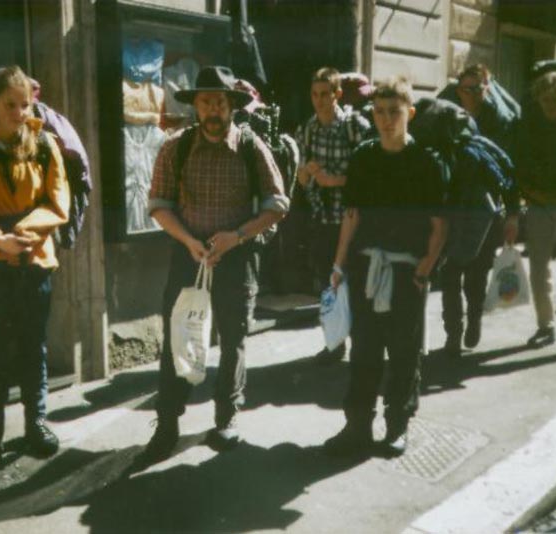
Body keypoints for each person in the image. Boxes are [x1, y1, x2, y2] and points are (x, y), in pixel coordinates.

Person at [142, 66, 288, 463]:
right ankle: (168, 423)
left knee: (232, 340)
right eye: (205, 101)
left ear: (231, 107)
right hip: (188, 256)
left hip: (237, 257)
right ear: (195, 106)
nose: (212, 109)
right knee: (179, 338)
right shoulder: (177, 147)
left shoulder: (251, 146)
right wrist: (189, 240)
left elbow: (278, 204)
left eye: (219, 102)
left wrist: (236, 237)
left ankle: (226, 417)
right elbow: (159, 205)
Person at [325, 77, 447, 457]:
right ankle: (357, 427)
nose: (386, 119)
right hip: (365, 268)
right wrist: (339, 263)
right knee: (364, 350)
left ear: (409, 113)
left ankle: (397, 427)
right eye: (379, 112)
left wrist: (425, 267)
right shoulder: (363, 157)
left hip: (407, 271)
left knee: (404, 352)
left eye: (394, 112)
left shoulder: (427, 161)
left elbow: (439, 223)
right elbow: (352, 215)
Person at [0, 66, 71, 463]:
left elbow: (58, 204)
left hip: (34, 260)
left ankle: (35, 423)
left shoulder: (44, 145)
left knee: (32, 348)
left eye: (25, 104)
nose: (20, 113)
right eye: (11, 104)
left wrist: (18, 237)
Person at [439, 65, 521, 358]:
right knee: (449, 273)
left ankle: (473, 318)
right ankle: (453, 334)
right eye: (465, 89)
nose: (471, 95)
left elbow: (508, 168)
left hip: (487, 210)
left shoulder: (500, 122)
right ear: (458, 89)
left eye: (477, 89)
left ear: (487, 88)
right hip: (451, 206)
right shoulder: (446, 116)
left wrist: (513, 213)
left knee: (476, 275)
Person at [295, 67, 370, 365]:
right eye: (315, 94)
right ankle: (335, 342)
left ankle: (362, 343)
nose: (320, 100)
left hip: (352, 217)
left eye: (326, 94)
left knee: (356, 281)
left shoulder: (354, 126)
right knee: (329, 283)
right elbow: (300, 181)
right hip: (322, 218)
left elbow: (370, 175)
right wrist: (307, 173)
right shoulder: (308, 129)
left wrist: (335, 180)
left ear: (337, 94)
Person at [515, 71, 556, 359]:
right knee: (539, 270)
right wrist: (530, 191)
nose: (552, 104)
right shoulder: (529, 124)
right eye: (546, 99)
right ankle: (546, 326)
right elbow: (519, 162)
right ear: (538, 98)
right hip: (540, 204)